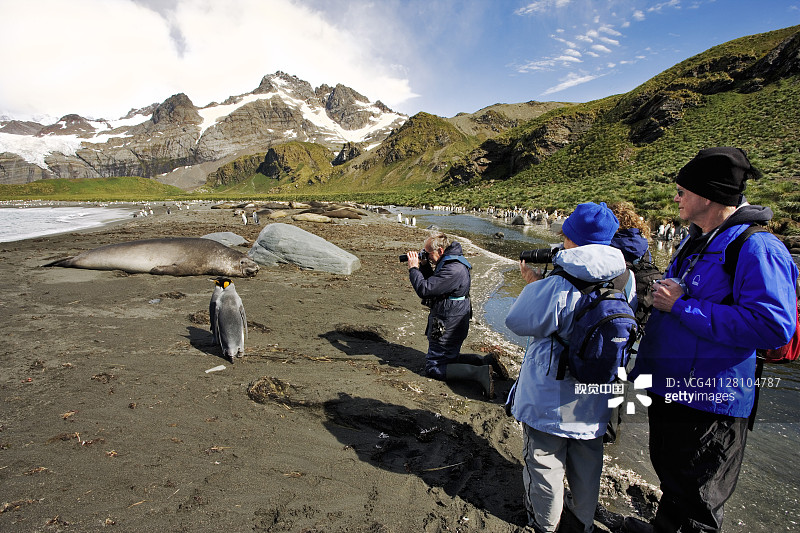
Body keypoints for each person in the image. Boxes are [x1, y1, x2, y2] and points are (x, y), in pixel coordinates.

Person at [624, 147, 799, 533]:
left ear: (707, 195)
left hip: (710, 401)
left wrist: (682, 307)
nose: (676, 197)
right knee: (673, 478)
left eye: (682, 191)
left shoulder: (756, 247)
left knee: (698, 498)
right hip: (673, 388)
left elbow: (772, 325)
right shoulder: (698, 239)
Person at [505, 202, 633, 533]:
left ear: (572, 238)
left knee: (545, 461)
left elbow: (517, 321)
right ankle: (582, 523)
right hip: (596, 391)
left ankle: (545, 524)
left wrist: (533, 284)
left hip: (551, 393)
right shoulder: (624, 278)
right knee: (587, 461)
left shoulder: (557, 284)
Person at [406, 233, 506, 398]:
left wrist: (414, 268)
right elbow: (436, 284)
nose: (427, 256)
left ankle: (478, 373)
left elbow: (425, 290)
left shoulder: (453, 269)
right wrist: (424, 265)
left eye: (428, 253)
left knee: (434, 366)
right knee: (449, 357)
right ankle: (486, 362)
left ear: (440, 250)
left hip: (449, 323)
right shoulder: (451, 260)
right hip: (454, 317)